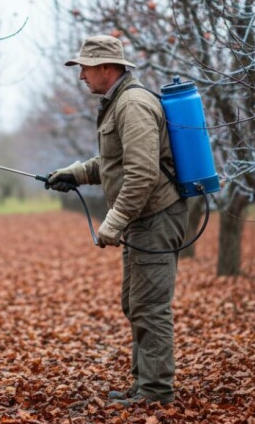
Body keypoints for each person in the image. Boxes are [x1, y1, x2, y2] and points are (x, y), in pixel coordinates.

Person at [47, 35, 188, 406]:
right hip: (144, 219)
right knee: (135, 302)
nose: (81, 76)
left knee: (149, 306)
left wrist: (114, 221)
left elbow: (142, 173)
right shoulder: (119, 102)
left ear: (107, 68)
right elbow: (115, 163)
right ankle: (144, 384)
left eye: (86, 68)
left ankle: (156, 392)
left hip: (155, 217)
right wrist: (76, 173)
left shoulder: (133, 105)